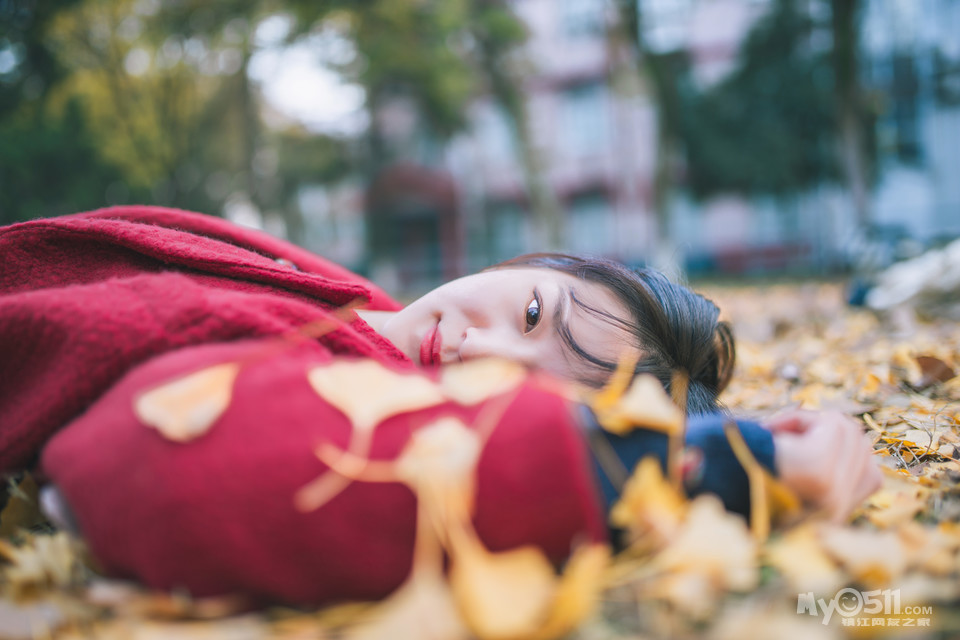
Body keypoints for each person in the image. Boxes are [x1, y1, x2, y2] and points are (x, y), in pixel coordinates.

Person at [0, 205, 881, 606]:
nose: (480, 350)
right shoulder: (336, 295)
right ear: (533, 264)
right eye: (534, 313)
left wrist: (693, 468)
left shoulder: (330, 378)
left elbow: (167, 462)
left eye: (514, 391)